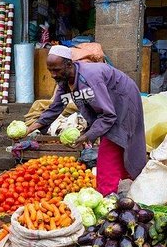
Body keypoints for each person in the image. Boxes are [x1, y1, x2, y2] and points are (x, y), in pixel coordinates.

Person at [26, 45, 146, 196]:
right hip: (109, 105)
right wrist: (30, 128)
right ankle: (124, 187)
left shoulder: (89, 79)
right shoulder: (65, 79)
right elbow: (57, 107)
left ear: (68, 64)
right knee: (116, 146)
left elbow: (108, 116)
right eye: (50, 70)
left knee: (111, 146)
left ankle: (107, 194)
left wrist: (88, 135)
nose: (53, 75)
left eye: (56, 70)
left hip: (124, 101)